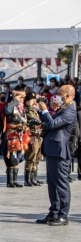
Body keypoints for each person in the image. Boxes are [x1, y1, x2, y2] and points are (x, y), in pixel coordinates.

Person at [36, 85, 77, 226]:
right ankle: (54, 212)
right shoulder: (62, 109)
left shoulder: (70, 111)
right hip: (52, 150)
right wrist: (47, 111)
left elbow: (53, 124)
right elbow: (49, 122)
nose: (57, 96)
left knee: (61, 184)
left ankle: (63, 214)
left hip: (59, 152)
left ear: (68, 96)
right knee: (52, 184)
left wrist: (45, 110)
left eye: (60, 94)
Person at [3, 91, 28, 188]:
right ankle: (10, 181)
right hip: (11, 135)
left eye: (22, 98)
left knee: (18, 158)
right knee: (11, 157)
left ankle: (15, 180)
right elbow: (7, 111)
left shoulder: (22, 109)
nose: (21, 99)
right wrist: (14, 101)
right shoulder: (10, 106)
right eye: (19, 97)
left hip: (20, 136)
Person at [25, 93, 44, 186]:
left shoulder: (36, 110)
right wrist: (31, 106)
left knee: (37, 157)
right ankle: (28, 178)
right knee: (31, 157)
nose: (34, 101)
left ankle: (34, 177)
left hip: (38, 135)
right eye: (32, 99)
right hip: (32, 135)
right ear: (28, 101)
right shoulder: (29, 110)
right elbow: (32, 117)